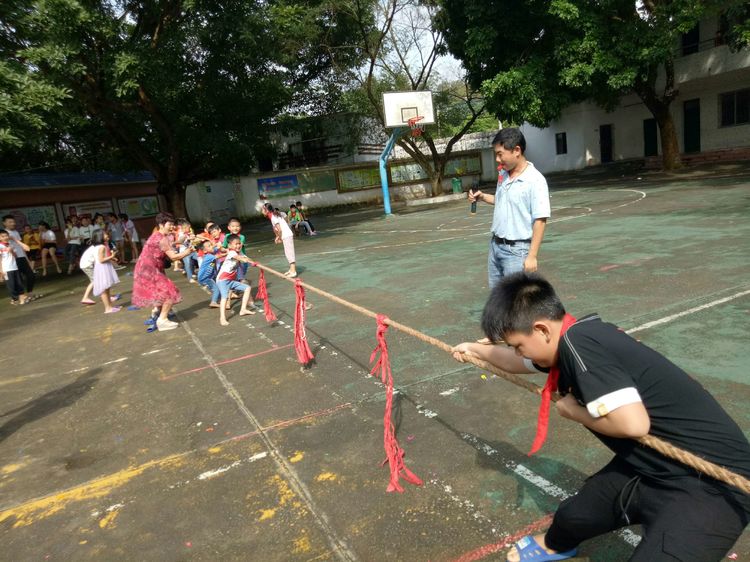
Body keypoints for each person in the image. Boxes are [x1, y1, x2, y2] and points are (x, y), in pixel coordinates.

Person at [451, 272, 750, 562]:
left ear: (541, 330)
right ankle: (556, 545)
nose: (518, 353)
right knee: (574, 515)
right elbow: (519, 363)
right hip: (651, 465)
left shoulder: (579, 345)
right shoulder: (574, 337)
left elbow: (633, 424)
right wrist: (475, 350)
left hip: (716, 485)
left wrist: (575, 412)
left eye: (518, 346)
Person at [468, 128, 550, 289]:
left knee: (515, 300)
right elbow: (501, 201)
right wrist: (482, 196)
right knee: (497, 299)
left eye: (500, 154)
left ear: (516, 150)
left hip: (517, 252)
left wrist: (532, 256)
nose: (497, 159)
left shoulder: (535, 180)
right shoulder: (504, 175)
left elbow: (540, 220)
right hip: (495, 246)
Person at [131, 212, 194, 331]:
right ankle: (162, 320)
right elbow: (173, 257)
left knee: (160, 292)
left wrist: (178, 241)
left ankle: (157, 313)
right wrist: (188, 251)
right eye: (169, 224)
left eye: (172, 224)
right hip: (150, 270)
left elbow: (166, 246)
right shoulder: (162, 238)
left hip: (145, 268)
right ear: (161, 224)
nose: (172, 227)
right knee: (170, 292)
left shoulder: (156, 235)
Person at [216, 234, 257, 326]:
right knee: (224, 297)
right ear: (230, 245)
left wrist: (253, 262)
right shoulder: (232, 253)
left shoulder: (239, 253)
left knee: (247, 288)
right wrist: (244, 260)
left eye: (239, 243)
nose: (238, 246)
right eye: (236, 244)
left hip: (230, 280)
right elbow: (239, 258)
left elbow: (246, 258)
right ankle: (222, 318)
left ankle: (243, 309)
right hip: (222, 280)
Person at [2, 215, 37, 299]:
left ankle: (29, 293)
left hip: (22, 257)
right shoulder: (3, 234)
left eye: (13, 222)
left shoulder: (16, 232)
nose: (13, 223)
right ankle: (20, 297)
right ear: (4, 223)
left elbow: (21, 247)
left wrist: (27, 259)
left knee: (31, 275)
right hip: (13, 259)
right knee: (18, 279)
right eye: (10, 222)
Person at [262, 203, 297, 277]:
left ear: (267, 210)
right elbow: (277, 229)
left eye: (262, 210)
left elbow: (280, 229)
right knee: (287, 252)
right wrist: (277, 237)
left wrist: (279, 238)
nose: (262, 212)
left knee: (289, 253)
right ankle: (291, 269)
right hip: (286, 235)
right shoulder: (273, 216)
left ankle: (293, 271)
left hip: (286, 235)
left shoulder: (273, 217)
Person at [91, 230, 121, 313]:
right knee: (104, 289)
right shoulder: (102, 247)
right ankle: (107, 308)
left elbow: (101, 258)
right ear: (99, 236)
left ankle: (110, 306)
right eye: (104, 234)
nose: (107, 235)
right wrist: (112, 256)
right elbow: (101, 260)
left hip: (101, 268)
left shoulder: (98, 246)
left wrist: (112, 258)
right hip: (103, 268)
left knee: (106, 288)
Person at [0, 229, 29, 305]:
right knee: (11, 285)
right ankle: (15, 298)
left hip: (15, 267)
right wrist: (1, 271)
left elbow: (14, 256)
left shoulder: (10, 244)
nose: (5, 237)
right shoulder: (0, 246)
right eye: (2, 236)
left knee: (19, 283)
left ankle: (21, 297)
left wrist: (11, 251)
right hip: (6, 269)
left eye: (6, 235)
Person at [196, 240, 222, 308]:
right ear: (205, 251)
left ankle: (218, 299)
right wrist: (228, 253)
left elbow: (215, 249)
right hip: (205, 277)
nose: (212, 246)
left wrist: (218, 247)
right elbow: (218, 256)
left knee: (216, 287)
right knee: (216, 289)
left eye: (211, 245)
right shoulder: (209, 256)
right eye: (209, 246)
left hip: (205, 277)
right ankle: (213, 302)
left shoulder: (210, 253)